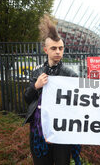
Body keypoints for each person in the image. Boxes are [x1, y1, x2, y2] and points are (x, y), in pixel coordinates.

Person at [23, 14, 81, 165]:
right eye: (54, 48)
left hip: (61, 130)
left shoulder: (71, 74)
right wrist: (36, 86)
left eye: (60, 48)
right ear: (45, 49)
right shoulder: (37, 72)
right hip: (38, 130)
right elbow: (27, 99)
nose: (58, 51)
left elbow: (79, 102)